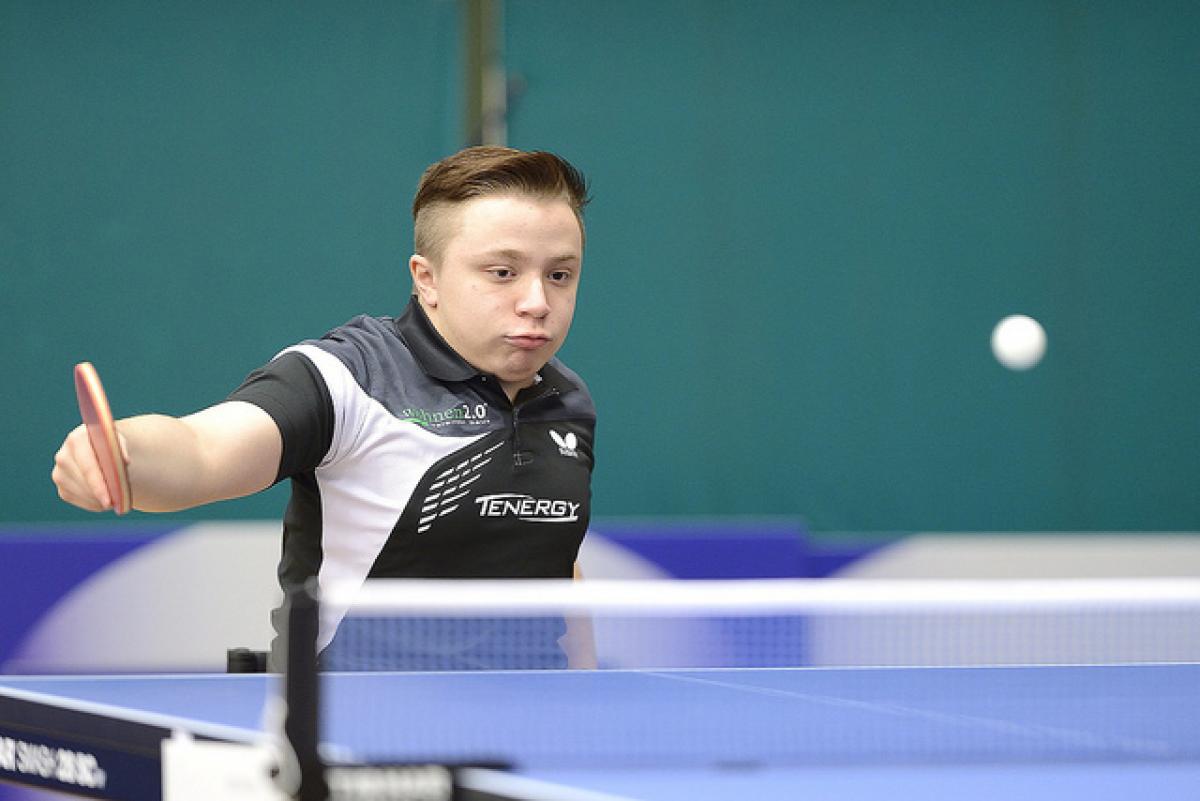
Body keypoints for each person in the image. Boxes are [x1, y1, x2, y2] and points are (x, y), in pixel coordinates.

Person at [51, 146, 596, 668]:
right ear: (426, 279)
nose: (537, 303)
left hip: (527, 729)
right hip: (354, 736)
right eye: (502, 272)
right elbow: (203, 449)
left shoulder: (566, 398)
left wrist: (585, 703)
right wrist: (119, 453)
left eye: (559, 275)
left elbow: (554, 567)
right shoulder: (349, 376)